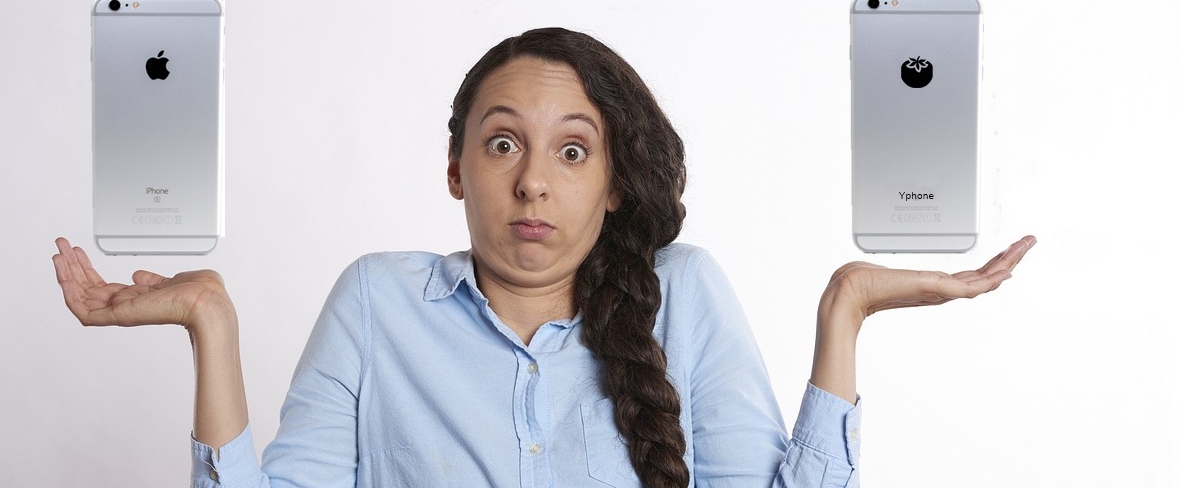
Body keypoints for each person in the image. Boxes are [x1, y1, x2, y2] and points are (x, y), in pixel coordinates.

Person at [52, 27, 1036, 488]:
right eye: (501, 142)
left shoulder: (683, 294)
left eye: (572, 150)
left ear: (613, 181)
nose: (532, 182)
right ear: (455, 171)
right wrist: (210, 324)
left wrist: (845, 309)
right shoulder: (375, 302)